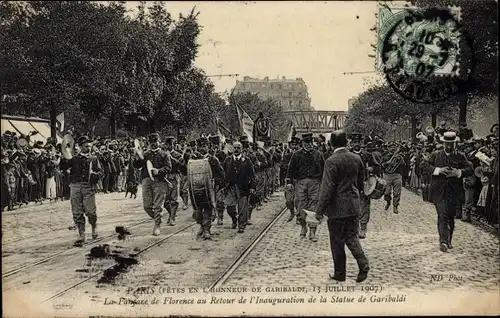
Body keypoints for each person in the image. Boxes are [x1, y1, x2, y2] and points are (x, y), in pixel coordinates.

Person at [316, 130, 369, 283]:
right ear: (347, 143)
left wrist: (319, 211)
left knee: (337, 240)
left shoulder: (331, 161)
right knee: (352, 237)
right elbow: (361, 183)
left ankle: (340, 273)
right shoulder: (356, 158)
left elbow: (327, 189)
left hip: (337, 209)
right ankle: (363, 264)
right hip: (353, 205)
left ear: (331, 144)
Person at [420, 131, 473, 252]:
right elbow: (423, 165)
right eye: (447, 144)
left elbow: (470, 169)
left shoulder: (460, 156)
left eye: (451, 144)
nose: (449, 146)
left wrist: (458, 172)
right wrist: (438, 170)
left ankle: (449, 239)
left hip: (454, 192)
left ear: (455, 144)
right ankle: (443, 241)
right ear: (443, 143)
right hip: (439, 191)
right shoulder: (435, 155)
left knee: (450, 217)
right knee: (442, 215)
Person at [60, 136, 104, 246]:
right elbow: (63, 167)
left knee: (90, 211)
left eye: (89, 146)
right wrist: (64, 155)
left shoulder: (93, 159)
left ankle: (94, 226)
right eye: (85, 146)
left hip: (88, 187)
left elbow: (101, 172)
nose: (88, 148)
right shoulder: (74, 159)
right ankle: (81, 234)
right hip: (75, 186)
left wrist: (96, 175)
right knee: (77, 211)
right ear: (80, 147)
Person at [286, 132, 325, 241]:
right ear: (302, 143)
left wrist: (323, 183)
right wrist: (289, 182)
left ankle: (312, 231)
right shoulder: (297, 155)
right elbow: (291, 169)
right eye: (306, 142)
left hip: (315, 183)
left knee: (314, 206)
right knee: (300, 204)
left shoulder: (318, 154)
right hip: (301, 183)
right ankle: (303, 227)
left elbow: (324, 169)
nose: (309, 144)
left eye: (310, 142)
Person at [133, 133, 172, 236]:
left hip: (160, 181)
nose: (153, 144)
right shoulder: (145, 154)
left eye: (155, 142)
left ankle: (157, 225)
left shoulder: (164, 154)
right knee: (147, 206)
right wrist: (136, 156)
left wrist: (159, 171)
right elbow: (136, 165)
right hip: (146, 180)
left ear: (159, 142)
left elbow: (168, 167)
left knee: (158, 205)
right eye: (151, 142)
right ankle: (157, 218)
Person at [223, 140, 256, 233]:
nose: (236, 149)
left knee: (242, 208)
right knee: (229, 207)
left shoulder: (247, 160)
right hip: (231, 187)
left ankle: (241, 225)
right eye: (235, 147)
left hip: (243, 187)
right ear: (232, 149)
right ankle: (234, 218)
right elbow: (223, 173)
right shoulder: (228, 160)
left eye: (238, 148)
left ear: (242, 149)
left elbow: (252, 175)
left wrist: (253, 187)